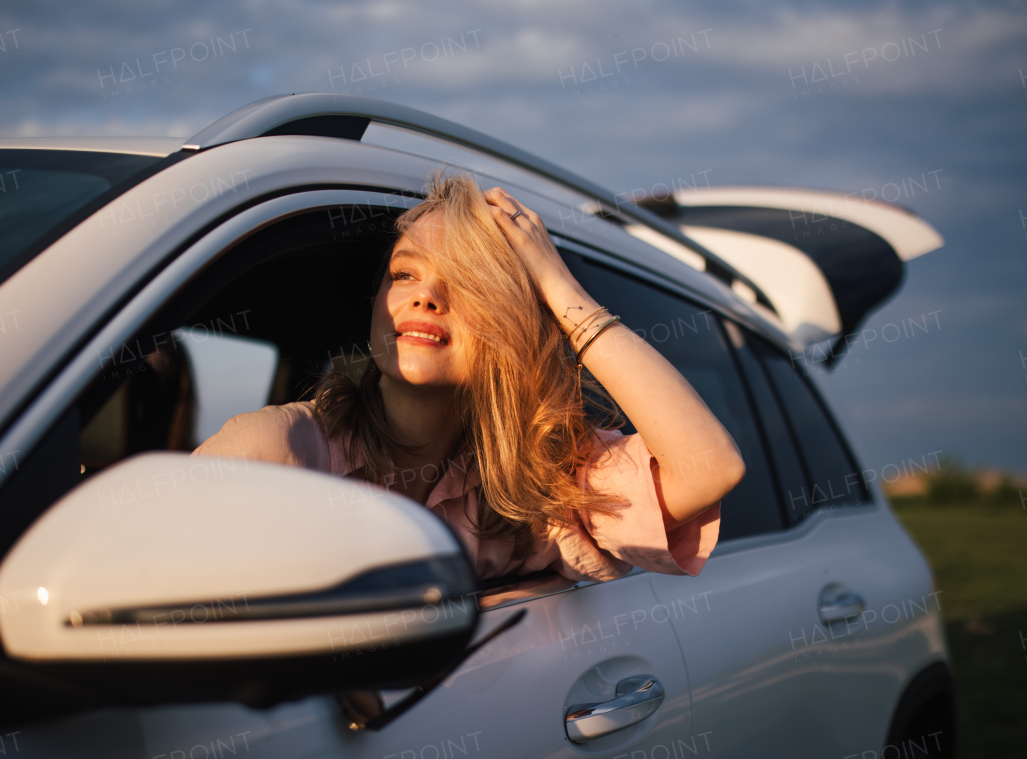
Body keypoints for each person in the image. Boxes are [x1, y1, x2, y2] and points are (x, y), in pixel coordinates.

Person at [193, 173, 745, 584]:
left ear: (514, 325)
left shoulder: (543, 481)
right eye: (404, 273)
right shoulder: (276, 451)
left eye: (469, 282)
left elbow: (710, 467)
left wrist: (561, 291)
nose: (425, 295)